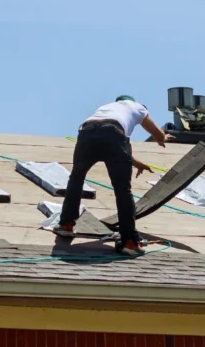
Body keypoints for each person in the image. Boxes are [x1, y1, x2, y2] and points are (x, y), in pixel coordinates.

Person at [57, 95, 173, 256]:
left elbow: (113, 144)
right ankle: (129, 241)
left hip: (87, 132)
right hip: (114, 134)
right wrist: (163, 138)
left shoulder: (107, 108)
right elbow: (152, 134)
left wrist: (137, 163)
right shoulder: (138, 107)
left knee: (76, 178)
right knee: (122, 190)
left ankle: (66, 225)